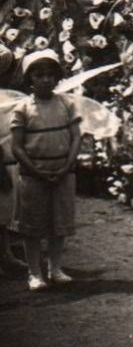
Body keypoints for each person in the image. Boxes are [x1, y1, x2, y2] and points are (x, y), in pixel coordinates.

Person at [10, 51, 82, 292]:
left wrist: (66, 166)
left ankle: (56, 268)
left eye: (51, 75)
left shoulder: (67, 104)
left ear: (58, 78)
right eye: (39, 75)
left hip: (63, 172)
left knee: (59, 222)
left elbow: (75, 139)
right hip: (34, 176)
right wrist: (36, 170)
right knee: (33, 226)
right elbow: (17, 147)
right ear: (30, 79)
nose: (46, 80)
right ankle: (34, 272)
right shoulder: (23, 108)